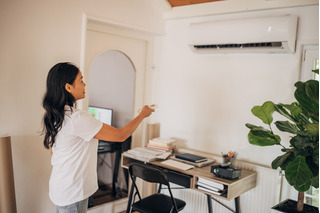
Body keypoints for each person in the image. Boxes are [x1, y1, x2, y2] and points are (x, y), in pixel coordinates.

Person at [42, 62, 154, 213]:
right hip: (73, 192)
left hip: (61, 186)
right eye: (81, 80)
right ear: (68, 87)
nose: (84, 84)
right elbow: (121, 135)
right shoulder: (77, 118)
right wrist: (142, 115)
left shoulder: (55, 115)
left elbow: (53, 152)